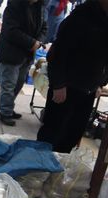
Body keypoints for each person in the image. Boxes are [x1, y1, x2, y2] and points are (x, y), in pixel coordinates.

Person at [36, 0, 108, 153]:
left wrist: (101, 83)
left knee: (73, 134)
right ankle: (37, 171)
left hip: (89, 89)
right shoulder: (80, 16)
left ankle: (58, 172)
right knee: (51, 134)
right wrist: (58, 84)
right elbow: (57, 53)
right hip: (66, 87)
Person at [0, 0, 47, 126]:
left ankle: (7, 107)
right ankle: (5, 112)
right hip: (11, 52)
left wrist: (38, 42)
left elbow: (45, 28)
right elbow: (11, 31)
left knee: (19, 82)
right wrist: (31, 43)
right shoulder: (14, 5)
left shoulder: (40, 7)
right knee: (9, 84)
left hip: (28, 53)